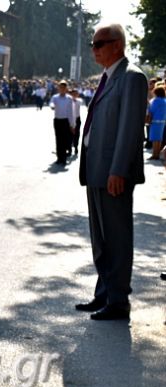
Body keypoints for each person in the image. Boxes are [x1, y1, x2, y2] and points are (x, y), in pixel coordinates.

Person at [77, 23, 148, 321]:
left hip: (113, 172)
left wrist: (118, 169)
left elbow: (129, 130)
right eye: (93, 44)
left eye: (99, 44)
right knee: (101, 238)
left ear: (117, 45)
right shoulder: (109, 76)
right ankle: (104, 294)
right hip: (96, 169)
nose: (94, 49)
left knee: (116, 237)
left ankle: (118, 301)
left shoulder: (132, 77)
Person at [49, 81, 75, 165]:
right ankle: (59, 157)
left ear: (66, 89)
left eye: (64, 88)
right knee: (58, 139)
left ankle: (63, 158)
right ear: (59, 88)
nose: (62, 89)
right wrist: (52, 106)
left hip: (65, 121)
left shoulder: (69, 98)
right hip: (57, 120)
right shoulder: (55, 97)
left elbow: (71, 112)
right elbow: (51, 103)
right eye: (61, 88)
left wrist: (72, 124)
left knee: (64, 139)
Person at [146, 84, 166, 160]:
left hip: (155, 122)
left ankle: (155, 154)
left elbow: (151, 110)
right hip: (162, 122)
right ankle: (157, 153)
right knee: (159, 139)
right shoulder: (164, 101)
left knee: (154, 139)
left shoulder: (155, 101)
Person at [70, 89, 84, 156]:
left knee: (77, 134)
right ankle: (69, 147)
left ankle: (76, 147)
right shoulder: (68, 100)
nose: (74, 95)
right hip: (69, 119)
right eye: (73, 94)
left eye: (76, 94)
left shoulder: (79, 100)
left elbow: (80, 102)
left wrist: (74, 99)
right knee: (69, 134)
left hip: (77, 119)